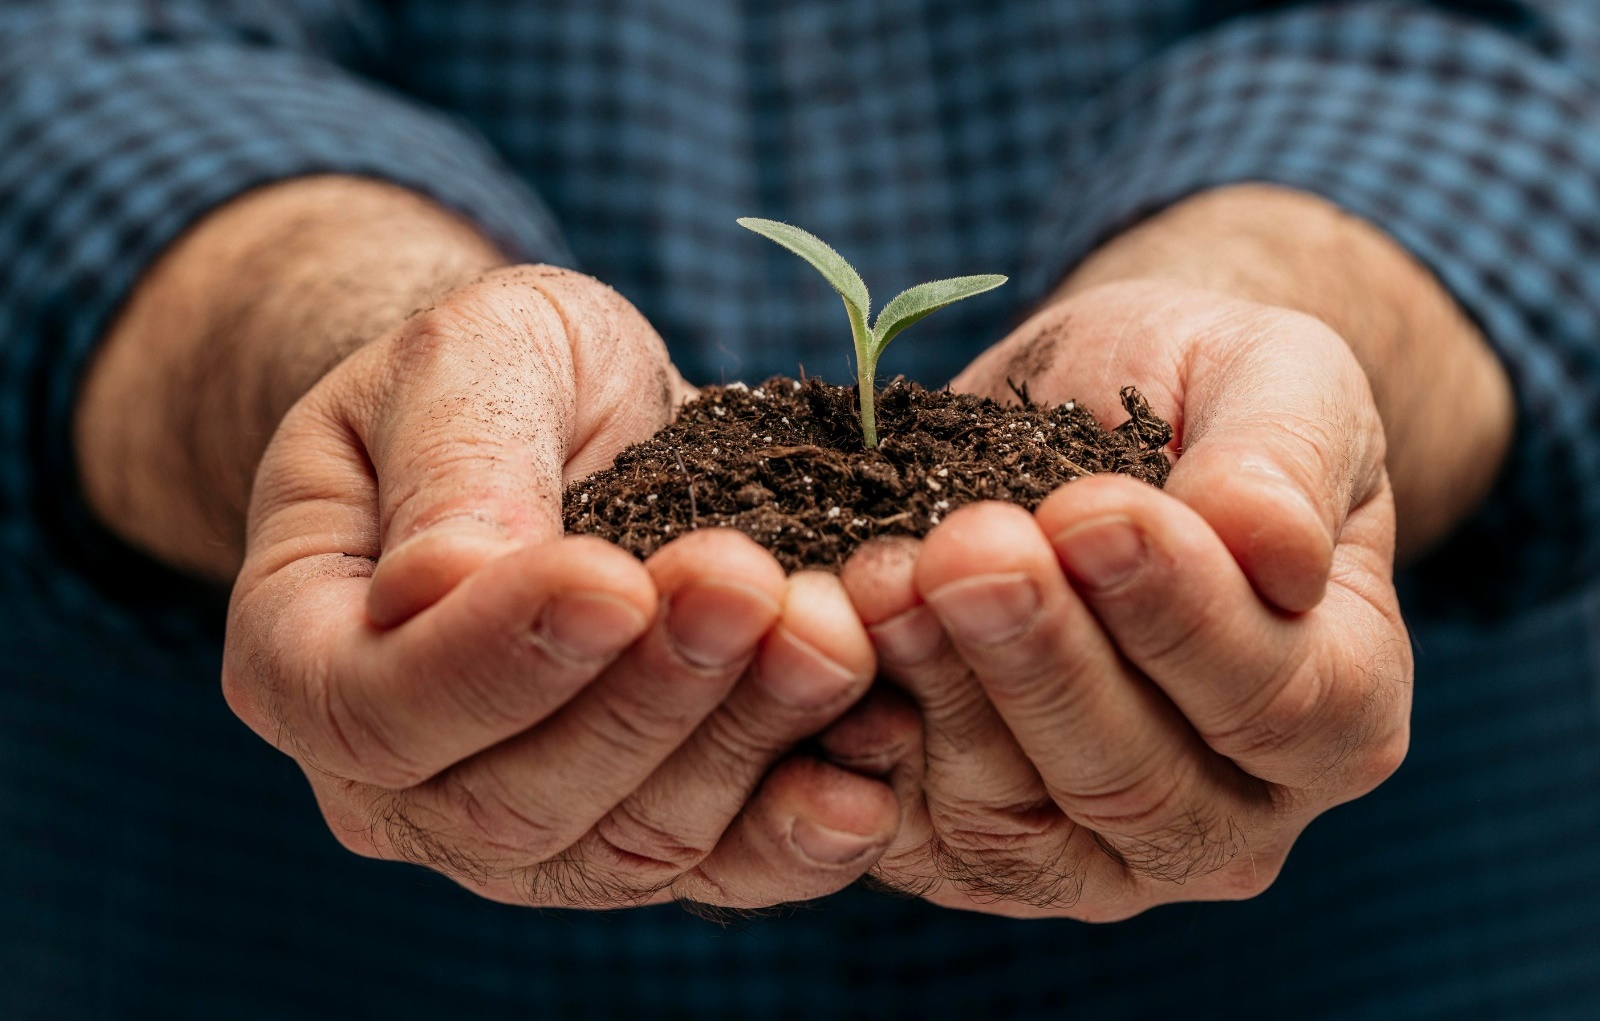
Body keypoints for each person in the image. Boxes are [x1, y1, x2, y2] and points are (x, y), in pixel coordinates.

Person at [2, 1, 1596, 1016]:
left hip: (1380, 954)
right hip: (272, 948)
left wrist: (1291, 302)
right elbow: (78, 55)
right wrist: (344, 346)